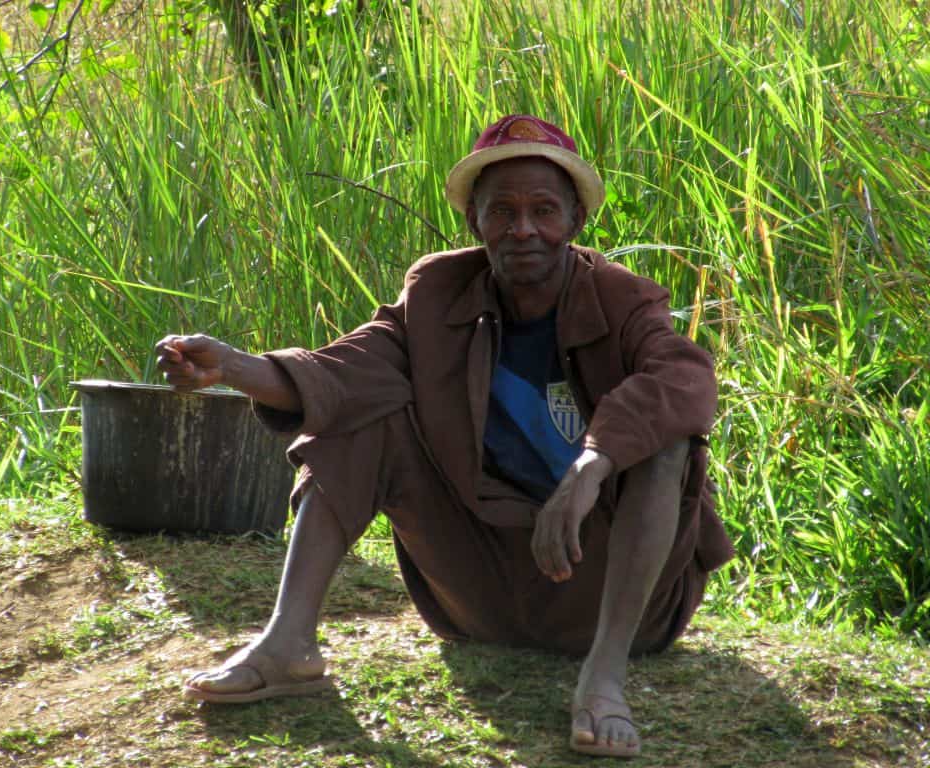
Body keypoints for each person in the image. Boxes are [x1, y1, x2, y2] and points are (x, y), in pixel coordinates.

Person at [155, 114, 735, 758]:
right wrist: (232, 367)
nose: (523, 230)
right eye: (501, 211)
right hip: (477, 593)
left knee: (666, 445)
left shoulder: (623, 301)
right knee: (366, 410)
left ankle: (602, 679)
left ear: (576, 220)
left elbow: (686, 379)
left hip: (609, 596)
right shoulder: (436, 292)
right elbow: (349, 370)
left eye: (544, 210)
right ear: (473, 223)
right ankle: (287, 644)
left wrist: (591, 465)